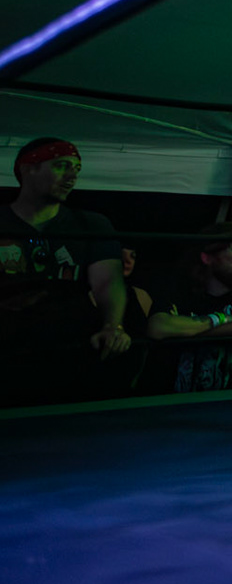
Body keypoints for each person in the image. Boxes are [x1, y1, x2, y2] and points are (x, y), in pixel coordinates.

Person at [0, 137, 133, 405]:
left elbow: (108, 281)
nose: (72, 176)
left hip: (70, 348)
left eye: (77, 169)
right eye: (61, 166)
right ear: (28, 168)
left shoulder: (91, 224)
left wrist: (113, 325)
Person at [146, 223, 232, 392]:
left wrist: (189, 330)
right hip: (172, 397)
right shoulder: (182, 283)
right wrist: (221, 319)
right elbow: (157, 327)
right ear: (207, 258)